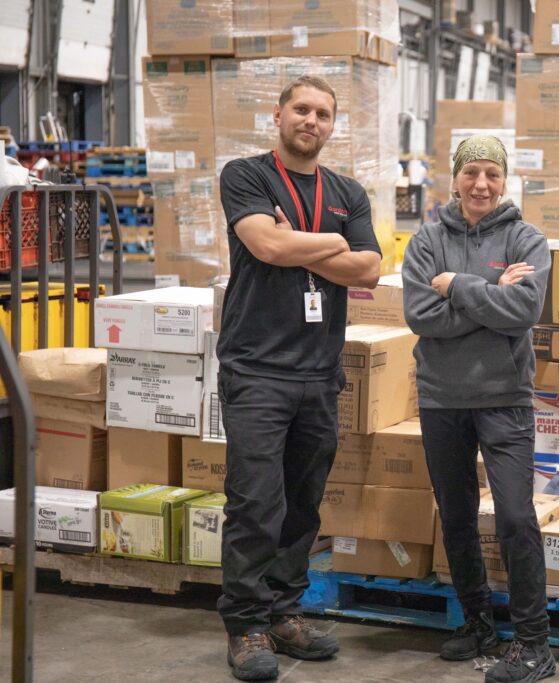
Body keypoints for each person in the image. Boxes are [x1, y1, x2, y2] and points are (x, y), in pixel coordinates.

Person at [216, 75, 381, 681]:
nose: (312, 121)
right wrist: (329, 242)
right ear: (279, 116)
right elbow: (264, 247)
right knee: (255, 502)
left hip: (318, 373)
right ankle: (246, 624)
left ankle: (284, 611)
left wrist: (302, 241)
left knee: (302, 504)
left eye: (323, 114)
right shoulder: (247, 174)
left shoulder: (347, 190)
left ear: (333, 125)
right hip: (256, 367)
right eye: (302, 110)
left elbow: (368, 267)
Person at [402, 134, 555, 683]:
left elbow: (525, 310)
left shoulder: (527, 239)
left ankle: (534, 644)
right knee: (457, 515)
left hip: (504, 399)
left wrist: (458, 286)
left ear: (505, 179)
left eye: (492, 173)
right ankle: (478, 624)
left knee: (516, 516)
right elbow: (421, 314)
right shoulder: (426, 241)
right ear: (456, 178)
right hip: (442, 398)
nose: (481, 184)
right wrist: (490, 290)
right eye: (472, 173)